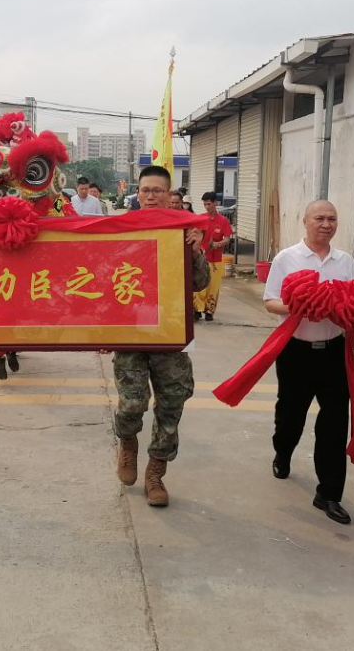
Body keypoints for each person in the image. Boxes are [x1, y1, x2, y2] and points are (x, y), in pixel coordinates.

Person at [113, 165, 209, 507]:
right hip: (131, 333)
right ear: (137, 194)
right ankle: (127, 444)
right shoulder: (118, 230)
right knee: (132, 405)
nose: (151, 195)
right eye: (145, 190)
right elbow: (97, 276)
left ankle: (155, 473)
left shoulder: (183, 231)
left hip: (170, 334)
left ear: (170, 195)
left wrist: (196, 251)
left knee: (171, 407)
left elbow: (200, 284)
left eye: (158, 190)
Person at [263, 200, 354, 525]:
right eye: (319, 218)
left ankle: (329, 494)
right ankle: (283, 451)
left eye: (332, 218)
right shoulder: (287, 259)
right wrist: (301, 306)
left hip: (334, 352)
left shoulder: (345, 261)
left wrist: (351, 312)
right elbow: (270, 302)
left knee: (334, 424)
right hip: (296, 352)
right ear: (305, 221)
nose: (326, 224)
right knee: (291, 414)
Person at [193, 192, 232, 322]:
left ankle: (209, 311)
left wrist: (218, 243)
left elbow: (227, 238)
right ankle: (197, 310)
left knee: (213, 287)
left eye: (209, 204)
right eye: (204, 204)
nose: (206, 207)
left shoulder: (223, 221)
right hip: (200, 259)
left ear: (216, 203)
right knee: (198, 286)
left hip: (216, 260)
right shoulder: (200, 219)